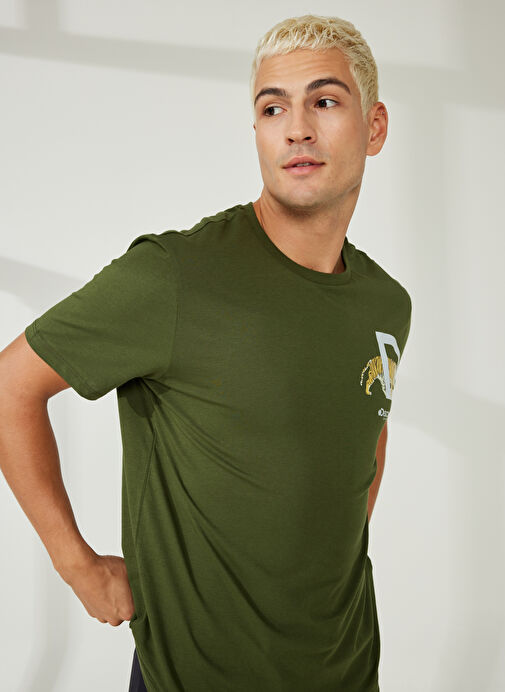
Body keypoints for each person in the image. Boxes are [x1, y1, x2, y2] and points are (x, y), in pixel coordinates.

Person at [0, 13, 412, 692]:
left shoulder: (385, 303)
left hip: (343, 669)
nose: (296, 128)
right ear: (257, 131)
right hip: (192, 675)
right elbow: (11, 385)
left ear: (374, 127)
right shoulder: (175, 275)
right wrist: (77, 565)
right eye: (273, 108)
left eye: (325, 101)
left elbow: (365, 427)